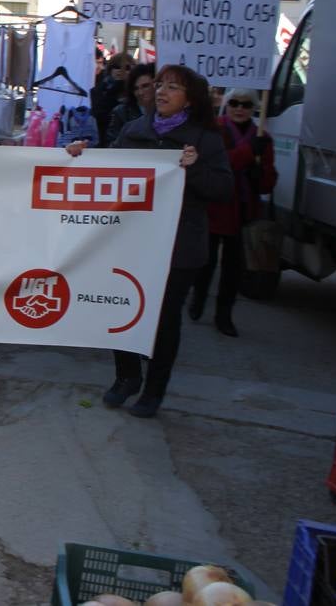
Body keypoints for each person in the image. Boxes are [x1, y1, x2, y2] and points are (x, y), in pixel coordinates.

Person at [67, 64, 231, 418]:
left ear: (191, 99)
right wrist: (83, 155)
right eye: (160, 85)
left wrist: (196, 168)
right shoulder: (133, 130)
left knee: (164, 320)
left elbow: (222, 189)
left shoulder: (205, 139)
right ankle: (126, 377)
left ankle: (154, 390)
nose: (161, 92)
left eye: (173, 87)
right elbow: (109, 170)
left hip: (180, 247)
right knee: (121, 307)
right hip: (133, 240)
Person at [189, 88, 276, 337]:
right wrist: (248, 153)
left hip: (242, 211)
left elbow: (268, 182)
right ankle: (198, 297)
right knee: (205, 261)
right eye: (235, 103)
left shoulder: (262, 138)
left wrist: (262, 175)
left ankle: (224, 315)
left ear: (254, 108)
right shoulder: (214, 130)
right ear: (226, 105)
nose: (240, 108)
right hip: (214, 207)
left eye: (246, 104)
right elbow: (219, 163)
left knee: (233, 268)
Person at [104, 63, 155, 147]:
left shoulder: (167, 112)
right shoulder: (121, 112)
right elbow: (112, 146)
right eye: (136, 88)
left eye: (145, 86)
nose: (140, 92)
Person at [92, 52, 134, 143]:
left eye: (127, 68)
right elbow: (99, 116)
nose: (121, 70)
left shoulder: (137, 92)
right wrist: (115, 89)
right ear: (110, 69)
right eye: (117, 66)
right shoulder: (99, 90)